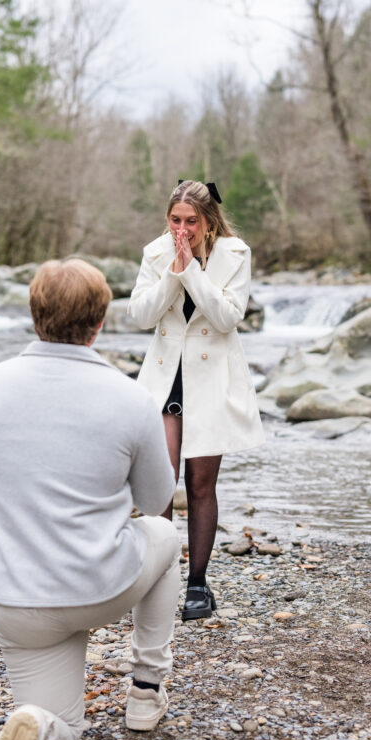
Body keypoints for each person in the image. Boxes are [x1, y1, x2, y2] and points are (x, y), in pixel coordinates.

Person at [0, 257, 179, 740]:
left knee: (66, 728)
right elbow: (156, 501)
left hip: (17, 598)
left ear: (34, 315)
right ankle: (146, 691)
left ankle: (36, 725)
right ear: (100, 322)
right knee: (164, 536)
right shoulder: (130, 398)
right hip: (99, 583)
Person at [128, 179, 265, 621]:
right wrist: (173, 272)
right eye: (174, 220)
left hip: (211, 380)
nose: (181, 230)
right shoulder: (155, 252)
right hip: (166, 379)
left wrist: (193, 273)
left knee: (201, 486)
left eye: (190, 222)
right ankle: (159, 580)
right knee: (160, 482)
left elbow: (228, 317)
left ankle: (198, 585)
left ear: (208, 222)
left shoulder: (235, 254)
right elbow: (141, 315)